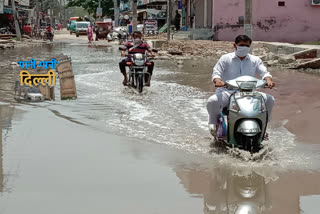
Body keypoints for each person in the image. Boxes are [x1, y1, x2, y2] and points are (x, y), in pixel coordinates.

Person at [206, 35, 275, 136]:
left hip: (249, 92)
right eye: (241, 45)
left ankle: (264, 126)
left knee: (270, 99)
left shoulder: (255, 60)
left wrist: (268, 80)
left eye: (247, 46)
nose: (244, 48)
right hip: (227, 91)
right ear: (235, 45)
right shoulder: (225, 58)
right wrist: (218, 81)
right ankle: (213, 124)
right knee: (212, 101)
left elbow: (264, 72)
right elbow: (217, 72)